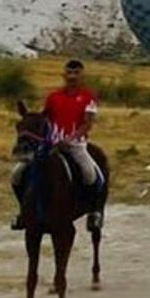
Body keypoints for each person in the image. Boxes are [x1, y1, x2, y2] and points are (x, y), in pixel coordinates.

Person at [11, 59, 105, 231]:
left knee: (92, 174)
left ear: (81, 76)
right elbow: (45, 118)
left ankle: (94, 212)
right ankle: (23, 212)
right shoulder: (53, 97)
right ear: (64, 75)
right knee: (17, 174)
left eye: (76, 73)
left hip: (76, 144)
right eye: (69, 73)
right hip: (51, 144)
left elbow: (87, 124)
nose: (72, 77)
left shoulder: (88, 97)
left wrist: (70, 139)